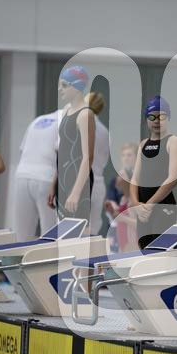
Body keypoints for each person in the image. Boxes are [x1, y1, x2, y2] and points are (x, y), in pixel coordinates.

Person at [131, 96, 177, 249]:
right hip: (143, 209)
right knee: (144, 251)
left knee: (160, 253)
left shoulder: (173, 141)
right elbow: (135, 178)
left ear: (168, 117)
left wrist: (150, 205)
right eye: (152, 117)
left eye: (162, 117)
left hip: (162, 207)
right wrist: (136, 204)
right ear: (147, 119)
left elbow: (173, 179)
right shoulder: (143, 144)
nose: (157, 121)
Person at [48, 66, 96, 226]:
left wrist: (76, 192)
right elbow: (63, 151)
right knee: (63, 233)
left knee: (78, 233)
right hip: (63, 180)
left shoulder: (85, 114)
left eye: (64, 85)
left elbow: (88, 157)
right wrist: (53, 184)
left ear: (77, 86)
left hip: (78, 180)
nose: (59, 89)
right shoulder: (66, 111)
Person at [14, 108, 61, 240]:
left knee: (22, 235)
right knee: (50, 234)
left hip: (22, 174)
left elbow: (23, 150)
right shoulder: (67, 122)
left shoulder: (38, 120)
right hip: (46, 178)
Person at [86, 92, 110, 236]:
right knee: (92, 231)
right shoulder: (105, 131)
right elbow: (104, 159)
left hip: (82, 181)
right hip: (98, 182)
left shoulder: (78, 124)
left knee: (71, 231)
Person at [105, 168, 138, 253]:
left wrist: (122, 218)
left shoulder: (134, 201)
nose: (118, 178)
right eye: (118, 175)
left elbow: (139, 225)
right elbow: (118, 220)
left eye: (122, 175)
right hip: (121, 244)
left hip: (132, 244)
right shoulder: (123, 199)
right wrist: (112, 211)